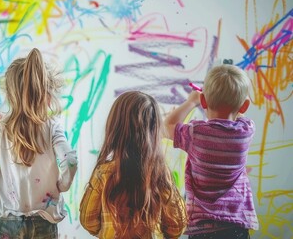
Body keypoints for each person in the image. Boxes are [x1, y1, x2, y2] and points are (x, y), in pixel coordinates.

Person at [0, 48, 78, 239]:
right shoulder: (52, 127)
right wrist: (62, 186)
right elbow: (71, 160)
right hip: (45, 220)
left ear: (11, 95)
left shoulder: (2, 128)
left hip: (10, 222)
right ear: (46, 94)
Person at [164, 65, 259, 238]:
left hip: (202, 228)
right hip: (235, 226)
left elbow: (169, 124)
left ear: (204, 102)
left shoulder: (195, 133)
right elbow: (238, 115)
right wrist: (234, 101)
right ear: (244, 106)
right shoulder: (246, 130)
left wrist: (191, 101)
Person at [80, 91, 187, 238]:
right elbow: (177, 227)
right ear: (154, 132)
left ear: (115, 129)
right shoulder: (160, 175)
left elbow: (89, 222)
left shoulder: (103, 173)